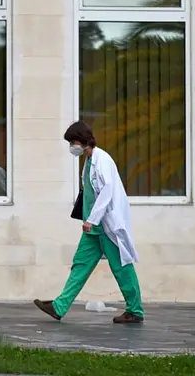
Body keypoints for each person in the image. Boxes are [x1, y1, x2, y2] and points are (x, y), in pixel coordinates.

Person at [34, 121, 144, 324]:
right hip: (92, 228)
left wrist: (93, 219)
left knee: (121, 266)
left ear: (81, 140)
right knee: (80, 265)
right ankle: (59, 306)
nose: (71, 147)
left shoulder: (102, 160)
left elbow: (107, 191)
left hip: (105, 225)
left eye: (72, 142)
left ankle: (135, 310)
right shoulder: (89, 161)